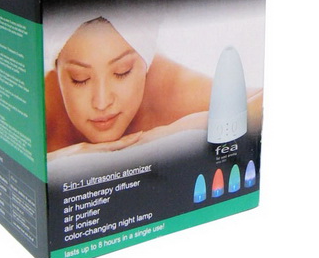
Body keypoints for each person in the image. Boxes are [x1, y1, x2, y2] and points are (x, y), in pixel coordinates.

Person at [45, 16, 263, 159]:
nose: (101, 102)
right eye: (79, 78)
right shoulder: (41, 106)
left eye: (122, 72)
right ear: (57, 69)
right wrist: (58, 160)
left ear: (146, 62)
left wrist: (175, 131)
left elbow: (265, 104)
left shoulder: (172, 90)